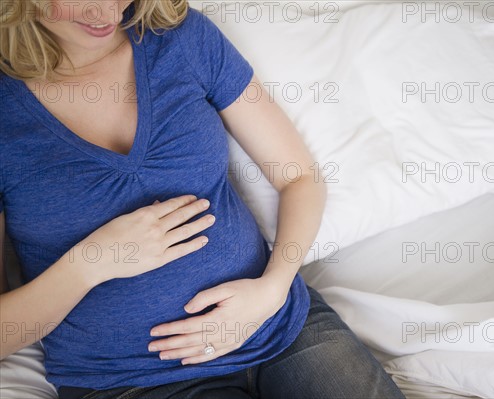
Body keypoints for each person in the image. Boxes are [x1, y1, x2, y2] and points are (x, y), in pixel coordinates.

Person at [0, 1, 406, 398]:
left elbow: (298, 177)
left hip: (278, 325)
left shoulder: (181, 39)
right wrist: (90, 262)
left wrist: (272, 289)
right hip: (133, 379)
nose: (109, 13)